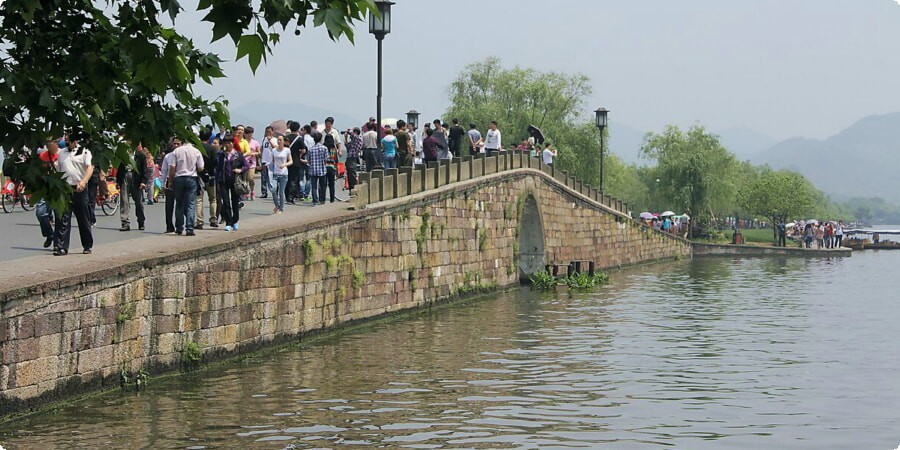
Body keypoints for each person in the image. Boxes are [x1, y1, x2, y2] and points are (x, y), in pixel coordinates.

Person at [54, 137, 94, 255]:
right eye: (68, 140)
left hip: (79, 188)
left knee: (83, 218)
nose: (70, 142)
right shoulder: (62, 153)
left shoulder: (85, 151)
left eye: (72, 140)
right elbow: (59, 170)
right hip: (66, 189)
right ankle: (62, 247)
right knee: (64, 218)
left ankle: (87, 245)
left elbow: (89, 168)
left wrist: (84, 181)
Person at [167, 136, 204, 236]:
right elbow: (201, 168)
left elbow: (172, 167)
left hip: (178, 177)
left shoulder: (177, 152)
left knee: (179, 203)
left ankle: (179, 227)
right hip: (191, 177)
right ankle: (190, 228)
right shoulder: (196, 151)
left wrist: (170, 181)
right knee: (190, 204)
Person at [116, 141, 150, 231]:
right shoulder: (123, 155)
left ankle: (141, 221)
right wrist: (118, 181)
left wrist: (143, 182)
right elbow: (119, 168)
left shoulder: (141, 155)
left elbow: (145, 170)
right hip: (125, 177)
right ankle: (125, 223)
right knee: (124, 201)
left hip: (136, 179)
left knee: (138, 202)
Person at [36, 137, 61, 249]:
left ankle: (57, 242)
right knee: (40, 213)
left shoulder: (62, 155)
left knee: (58, 215)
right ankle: (49, 234)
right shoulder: (43, 156)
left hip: (58, 188)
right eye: (48, 143)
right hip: (45, 188)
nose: (50, 145)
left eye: (52, 142)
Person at [216, 136, 245, 231]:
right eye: (226, 143)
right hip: (223, 181)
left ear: (233, 143)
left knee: (235, 202)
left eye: (230, 143)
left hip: (235, 181)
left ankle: (235, 220)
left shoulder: (238, 154)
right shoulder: (221, 154)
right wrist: (217, 181)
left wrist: (240, 170)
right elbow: (218, 169)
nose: (228, 145)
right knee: (226, 202)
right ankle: (228, 222)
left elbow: (247, 165)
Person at [196, 132, 219, 229]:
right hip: (210, 176)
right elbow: (215, 162)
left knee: (199, 200)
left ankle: (199, 221)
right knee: (213, 199)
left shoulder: (197, 148)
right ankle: (213, 219)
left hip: (199, 176)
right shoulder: (212, 149)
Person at [269, 135, 292, 214]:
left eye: (280, 140)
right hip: (275, 173)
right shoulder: (274, 150)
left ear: (283, 141)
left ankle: (281, 208)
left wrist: (284, 164)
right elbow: (273, 161)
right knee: (273, 189)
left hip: (284, 174)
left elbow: (290, 161)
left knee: (281, 192)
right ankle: (276, 205)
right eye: (278, 140)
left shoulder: (287, 150)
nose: (279, 141)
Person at [159, 141, 178, 233]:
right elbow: (164, 171)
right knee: (169, 205)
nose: (176, 146)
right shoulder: (168, 156)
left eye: (178, 144)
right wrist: (162, 184)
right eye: (175, 144)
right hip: (169, 181)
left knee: (181, 204)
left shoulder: (183, 155)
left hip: (180, 180)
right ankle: (169, 226)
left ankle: (180, 225)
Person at [307, 132, 327, 205]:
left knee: (314, 186)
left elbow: (308, 160)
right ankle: (322, 200)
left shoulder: (311, 149)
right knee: (323, 186)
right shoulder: (324, 148)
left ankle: (315, 200)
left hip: (313, 169)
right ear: (321, 139)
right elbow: (325, 160)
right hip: (322, 169)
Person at [259, 126, 275, 199]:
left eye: (269, 131)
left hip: (271, 161)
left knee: (271, 177)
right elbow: (262, 149)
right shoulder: (264, 139)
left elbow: (275, 148)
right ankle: (264, 192)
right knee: (264, 178)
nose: (268, 133)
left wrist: (270, 141)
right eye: (267, 131)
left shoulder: (275, 139)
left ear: (272, 132)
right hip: (264, 161)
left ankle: (273, 191)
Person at [345, 127, 363, 193]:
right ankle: (351, 190)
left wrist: (349, 131)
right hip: (349, 158)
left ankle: (353, 190)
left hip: (353, 157)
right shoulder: (352, 141)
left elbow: (356, 137)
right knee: (349, 174)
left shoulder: (359, 139)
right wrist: (346, 138)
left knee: (352, 174)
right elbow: (347, 147)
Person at [323, 133, 340, 203]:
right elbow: (336, 160)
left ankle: (322, 199)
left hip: (324, 167)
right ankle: (332, 199)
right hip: (332, 167)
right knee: (331, 184)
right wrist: (337, 170)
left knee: (323, 184)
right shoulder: (334, 148)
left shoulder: (323, 147)